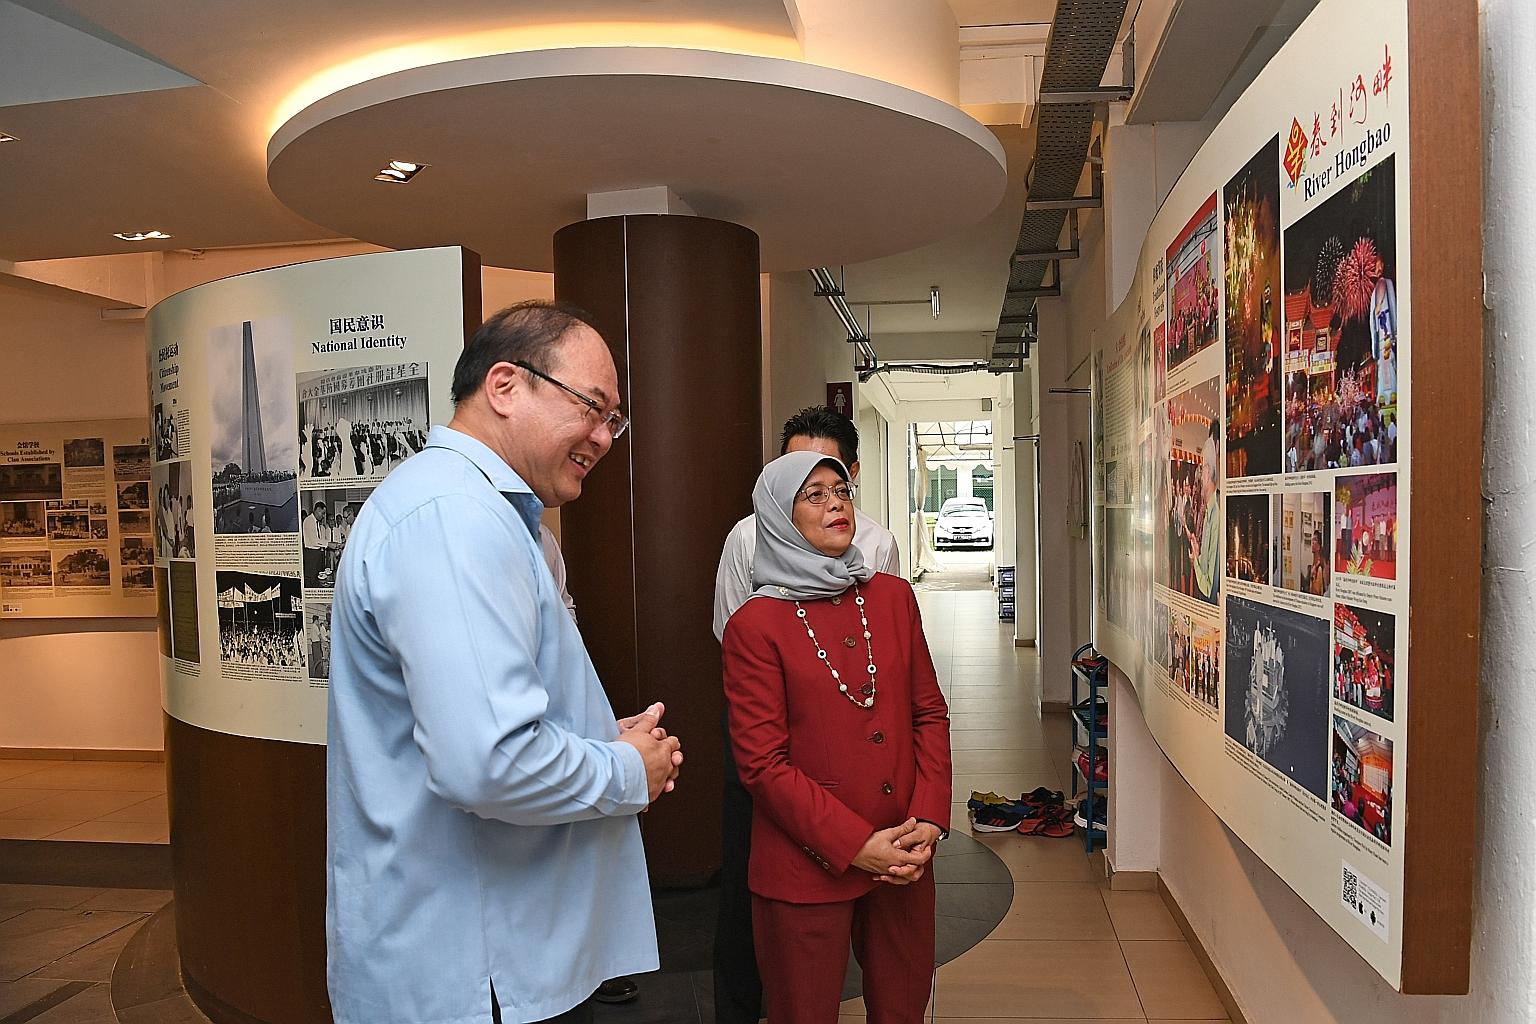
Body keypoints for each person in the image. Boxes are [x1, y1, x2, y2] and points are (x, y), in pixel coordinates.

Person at [326, 301, 684, 1024]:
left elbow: (491, 717)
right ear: (505, 386)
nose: (602, 437)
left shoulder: (486, 516)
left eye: (614, 420)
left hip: (492, 957)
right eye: (592, 406)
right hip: (471, 970)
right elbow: (486, 762)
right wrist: (624, 771)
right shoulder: (454, 519)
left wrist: (593, 736)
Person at [721, 450, 951, 1024]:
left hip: (904, 853)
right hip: (803, 867)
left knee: (902, 1010)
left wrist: (928, 817)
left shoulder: (893, 598)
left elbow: (929, 714)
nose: (836, 504)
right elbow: (762, 765)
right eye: (814, 495)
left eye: (841, 490)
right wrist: (857, 846)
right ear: (778, 516)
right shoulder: (754, 626)